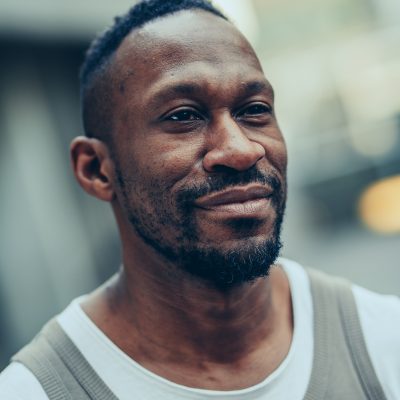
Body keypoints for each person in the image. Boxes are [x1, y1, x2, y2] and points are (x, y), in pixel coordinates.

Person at [0, 0, 399, 398]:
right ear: (96, 170)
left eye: (255, 110)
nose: (241, 150)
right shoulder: (35, 391)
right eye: (182, 116)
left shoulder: (382, 341)